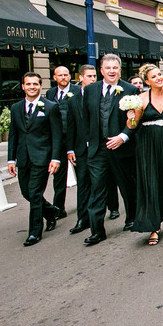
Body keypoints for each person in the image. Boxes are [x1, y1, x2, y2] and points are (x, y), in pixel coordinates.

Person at [82, 54, 140, 245]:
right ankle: (97, 230)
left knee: (127, 186)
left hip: (122, 147)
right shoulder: (90, 90)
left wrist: (123, 136)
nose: (112, 71)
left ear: (120, 70)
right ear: (101, 70)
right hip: (98, 149)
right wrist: (90, 141)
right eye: (108, 68)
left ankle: (131, 217)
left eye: (115, 68)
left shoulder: (130, 89)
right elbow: (87, 117)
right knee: (97, 189)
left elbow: (134, 120)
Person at [126, 64, 163, 245]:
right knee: (152, 183)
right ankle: (154, 226)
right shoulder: (141, 98)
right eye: (154, 77)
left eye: (160, 75)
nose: (159, 78)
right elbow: (132, 126)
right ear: (147, 81)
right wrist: (130, 116)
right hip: (148, 146)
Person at [7, 72, 63, 246]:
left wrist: (55, 158)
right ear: (23, 86)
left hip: (42, 158)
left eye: (35, 84)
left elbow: (57, 135)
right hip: (23, 158)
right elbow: (13, 135)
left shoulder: (50, 107)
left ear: (40, 86)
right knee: (26, 192)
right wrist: (11, 159)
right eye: (28, 84)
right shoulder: (16, 108)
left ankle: (34, 232)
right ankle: (50, 211)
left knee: (35, 193)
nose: (32, 87)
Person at [66, 64, 97, 235]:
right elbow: (70, 127)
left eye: (94, 76)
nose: (93, 79)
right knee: (83, 184)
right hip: (81, 149)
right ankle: (82, 219)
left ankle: (113, 208)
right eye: (89, 76)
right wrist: (70, 149)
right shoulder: (72, 100)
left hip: (99, 146)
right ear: (80, 78)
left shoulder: (100, 96)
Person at [45, 65, 76, 219]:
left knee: (82, 174)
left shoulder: (78, 91)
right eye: (60, 75)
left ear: (70, 76)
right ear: (54, 77)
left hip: (75, 139)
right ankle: (59, 208)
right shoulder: (50, 93)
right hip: (57, 140)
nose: (63, 77)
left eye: (66, 74)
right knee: (59, 177)